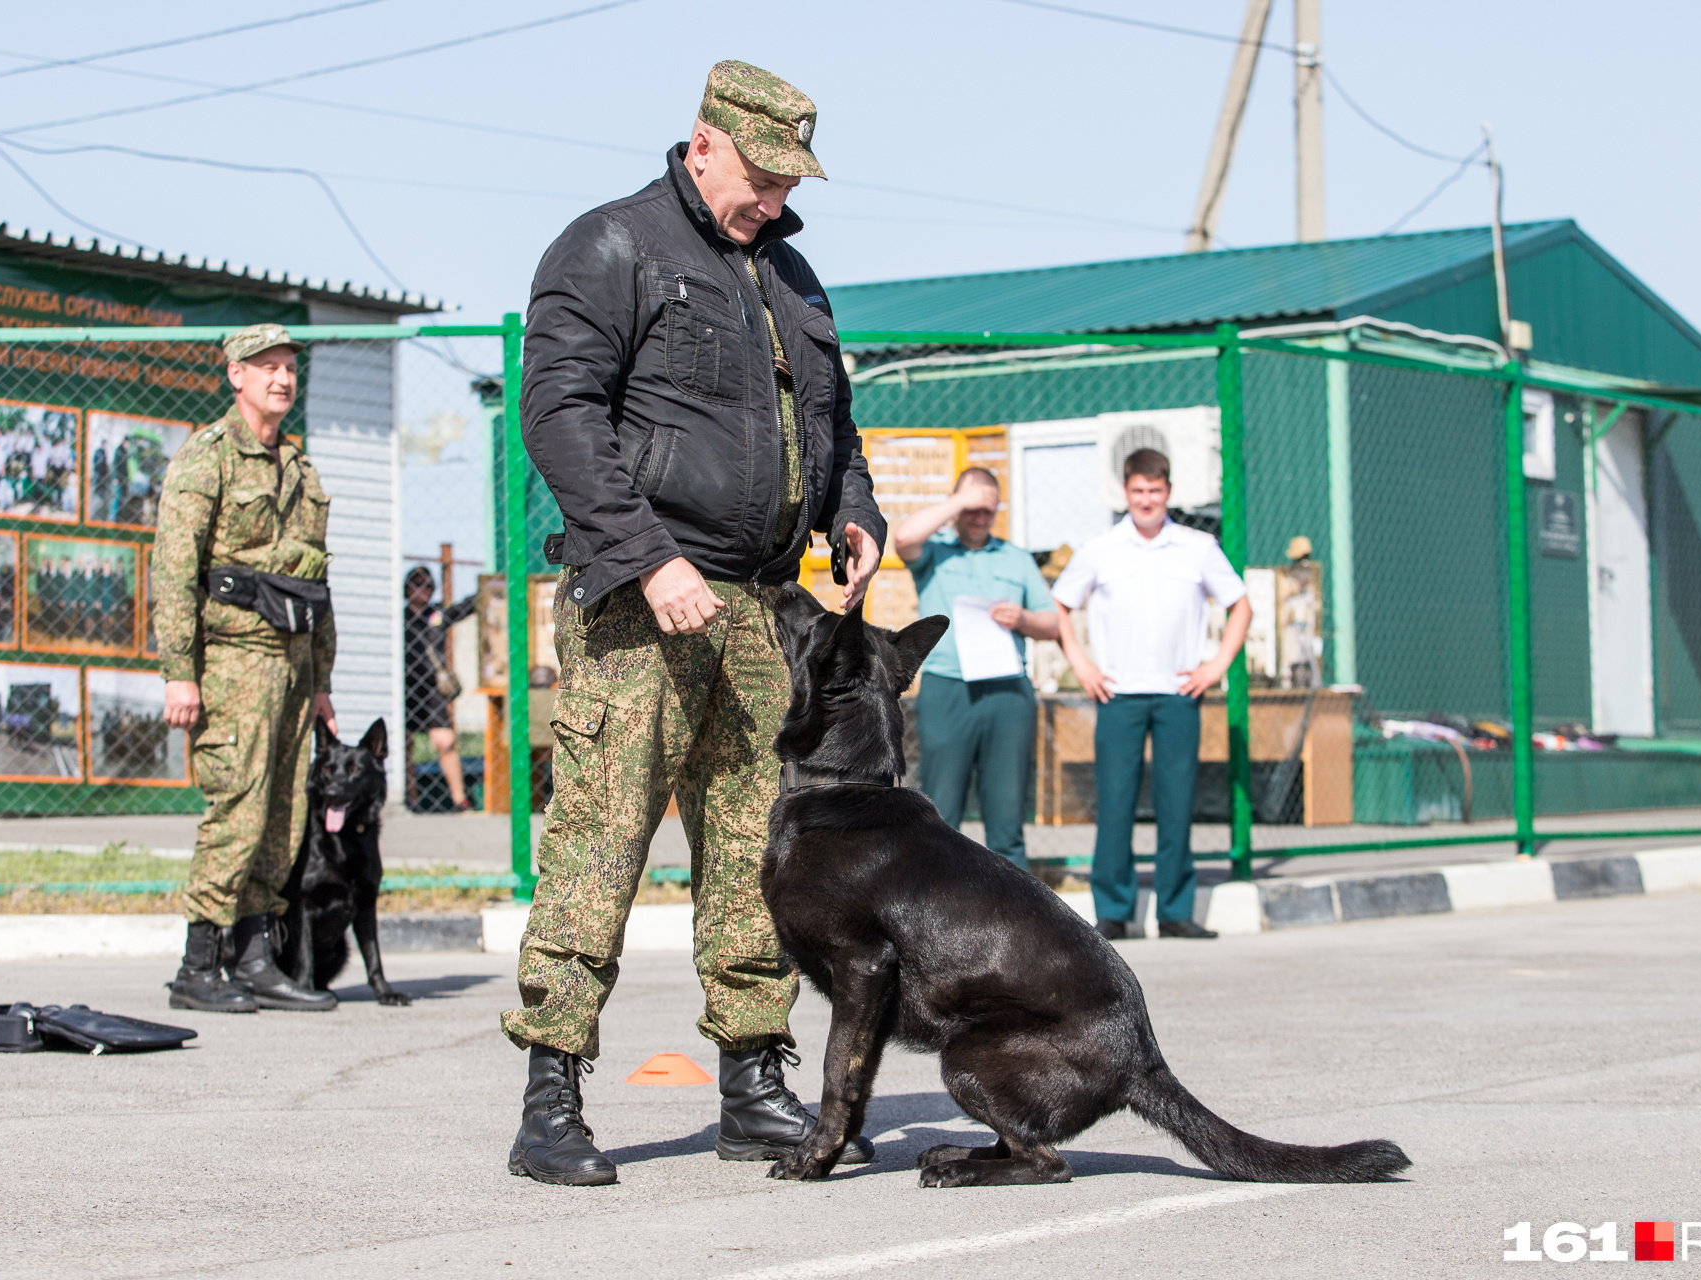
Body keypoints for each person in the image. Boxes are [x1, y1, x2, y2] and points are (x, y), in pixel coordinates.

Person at [507, 60, 885, 1186]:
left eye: (790, 180)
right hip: (643, 600)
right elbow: (558, 414)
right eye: (764, 174)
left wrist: (853, 512)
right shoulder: (611, 246)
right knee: (600, 837)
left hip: (766, 606)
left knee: (760, 850)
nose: (775, 198)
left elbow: (835, 424)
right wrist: (649, 554)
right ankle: (553, 1091)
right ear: (704, 141)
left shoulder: (794, 274)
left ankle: (754, 1077)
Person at [153, 322, 341, 1013]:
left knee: (284, 815)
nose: (282, 379)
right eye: (267, 366)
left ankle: (256, 955)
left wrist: (321, 681)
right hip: (232, 663)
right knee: (237, 809)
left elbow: (317, 584)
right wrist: (180, 670)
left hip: (292, 669)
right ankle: (199, 965)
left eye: (289, 367)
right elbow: (174, 571)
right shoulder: (208, 460)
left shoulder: (300, 469)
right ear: (235, 375)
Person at [1051, 448, 1251, 942]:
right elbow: (1059, 606)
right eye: (1138, 491)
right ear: (1126, 492)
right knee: (1115, 803)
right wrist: (1082, 664)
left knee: (1176, 802)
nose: (1146, 500)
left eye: (1155, 492)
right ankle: (1114, 912)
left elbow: (1240, 605)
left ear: (1168, 493)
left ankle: (1176, 911)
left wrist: (1217, 665)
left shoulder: (1198, 547)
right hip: (1118, 695)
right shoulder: (1100, 548)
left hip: (1179, 694)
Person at [892, 467, 1057, 870]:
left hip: (1007, 692)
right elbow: (903, 538)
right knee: (941, 811)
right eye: (972, 508)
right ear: (957, 505)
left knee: (1007, 814)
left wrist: (1022, 619)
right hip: (949, 690)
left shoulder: (1015, 559)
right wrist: (961, 500)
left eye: (988, 509)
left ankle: (1016, 916)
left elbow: (1052, 624)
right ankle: (938, 909)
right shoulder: (936, 552)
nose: (980, 517)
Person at [403, 566, 477, 811]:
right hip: (405, 687)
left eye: (426, 585)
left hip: (432, 689)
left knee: (445, 741)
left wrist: (492, 587)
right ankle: (409, 799)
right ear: (406, 588)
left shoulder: (436, 615)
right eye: (416, 584)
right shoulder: (398, 618)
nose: (421, 589)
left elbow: (464, 608)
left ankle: (459, 800)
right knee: (403, 743)